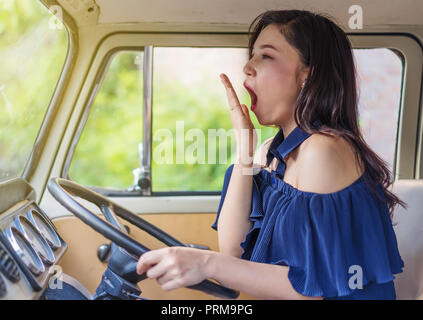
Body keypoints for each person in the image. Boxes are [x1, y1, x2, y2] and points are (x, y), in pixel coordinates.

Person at [136, 9, 405, 300]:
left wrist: (204, 263)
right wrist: (244, 152)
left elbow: (308, 291)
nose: (247, 68)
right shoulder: (270, 153)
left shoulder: (323, 151)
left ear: (307, 75)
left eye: (265, 56)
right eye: (252, 56)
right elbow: (233, 251)